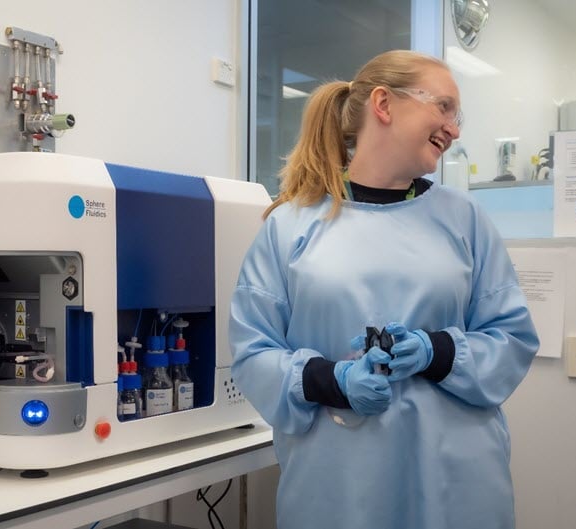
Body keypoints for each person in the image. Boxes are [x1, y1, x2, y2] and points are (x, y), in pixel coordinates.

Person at [228, 49, 539, 529]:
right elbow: (253, 351)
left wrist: (436, 351)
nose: (455, 130)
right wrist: (334, 381)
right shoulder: (291, 226)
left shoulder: (465, 220)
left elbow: (512, 339)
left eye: (457, 116)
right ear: (383, 104)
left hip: (457, 483)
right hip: (339, 488)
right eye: (444, 107)